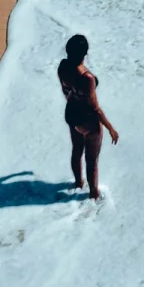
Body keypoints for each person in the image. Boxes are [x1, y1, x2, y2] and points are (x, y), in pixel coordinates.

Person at [57, 33, 118, 199]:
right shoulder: (87, 78)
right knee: (92, 161)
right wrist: (111, 129)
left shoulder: (63, 66)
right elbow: (95, 109)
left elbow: (65, 91)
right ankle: (94, 195)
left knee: (77, 150)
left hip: (71, 114)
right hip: (87, 121)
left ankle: (78, 183)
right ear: (85, 53)